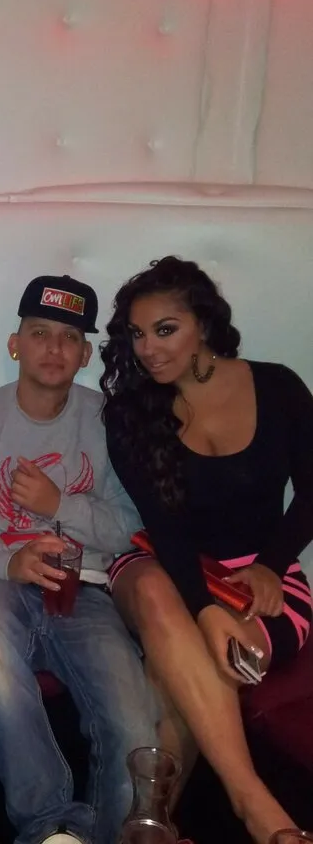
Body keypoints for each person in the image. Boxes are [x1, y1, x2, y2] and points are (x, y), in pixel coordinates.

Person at [99, 256, 313, 844]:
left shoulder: (277, 387)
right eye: (136, 334)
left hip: (262, 575)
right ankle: (254, 805)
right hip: (163, 566)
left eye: (165, 329)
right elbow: (166, 531)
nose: (147, 350)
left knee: (184, 674)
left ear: (205, 323)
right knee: (158, 594)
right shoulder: (130, 413)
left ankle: (149, 828)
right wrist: (205, 609)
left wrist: (271, 564)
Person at [0, 274, 159, 844]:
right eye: (39, 333)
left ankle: (116, 834)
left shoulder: (108, 421)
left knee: (133, 721)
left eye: (69, 337)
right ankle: (51, 827)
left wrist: (58, 504)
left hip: (84, 586)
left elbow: (132, 527)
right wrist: (8, 561)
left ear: (86, 354)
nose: (54, 349)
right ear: (15, 344)